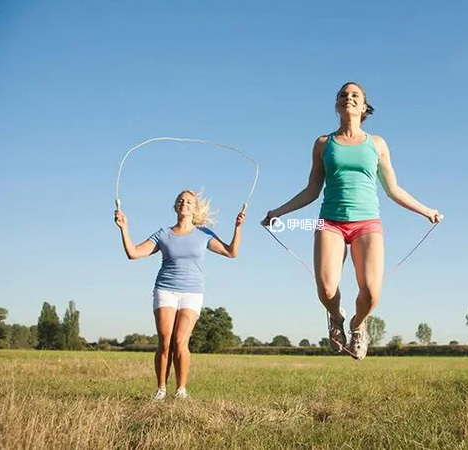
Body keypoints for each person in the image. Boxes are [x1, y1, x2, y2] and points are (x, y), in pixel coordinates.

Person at [262, 82, 442, 360]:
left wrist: (426, 210)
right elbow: (312, 190)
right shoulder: (323, 144)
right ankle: (336, 318)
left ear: (364, 106)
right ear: (337, 105)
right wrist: (278, 212)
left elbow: (393, 189)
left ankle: (358, 325)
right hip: (329, 221)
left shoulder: (377, 144)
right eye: (343, 95)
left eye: (355, 95)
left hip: (367, 222)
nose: (348, 98)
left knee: (371, 292)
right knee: (326, 288)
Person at [115, 190, 245, 399]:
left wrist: (238, 228)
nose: (184, 203)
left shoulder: (204, 234)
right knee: (165, 342)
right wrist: (124, 228)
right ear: (176, 206)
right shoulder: (163, 234)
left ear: (194, 208)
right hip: (165, 289)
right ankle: (161, 389)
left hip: (192, 292)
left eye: (189, 202)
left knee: (180, 341)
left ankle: (181, 389)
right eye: (181, 201)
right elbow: (133, 253)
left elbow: (231, 252)